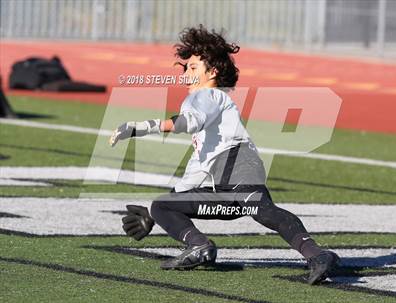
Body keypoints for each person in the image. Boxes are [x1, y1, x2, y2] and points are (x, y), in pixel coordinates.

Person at [109, 25, 339, 285]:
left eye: (193, 67)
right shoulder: (207, 121)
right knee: (163, 204)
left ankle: (317, 254)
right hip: (224, 184)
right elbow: (194, 175)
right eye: (186, 68)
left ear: (213, 72)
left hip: (235, 166)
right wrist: (156, 216)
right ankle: (199, 246)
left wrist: (141, 127)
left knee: (262, 211)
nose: (186, 74)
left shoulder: (207, 94)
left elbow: (190, 121)